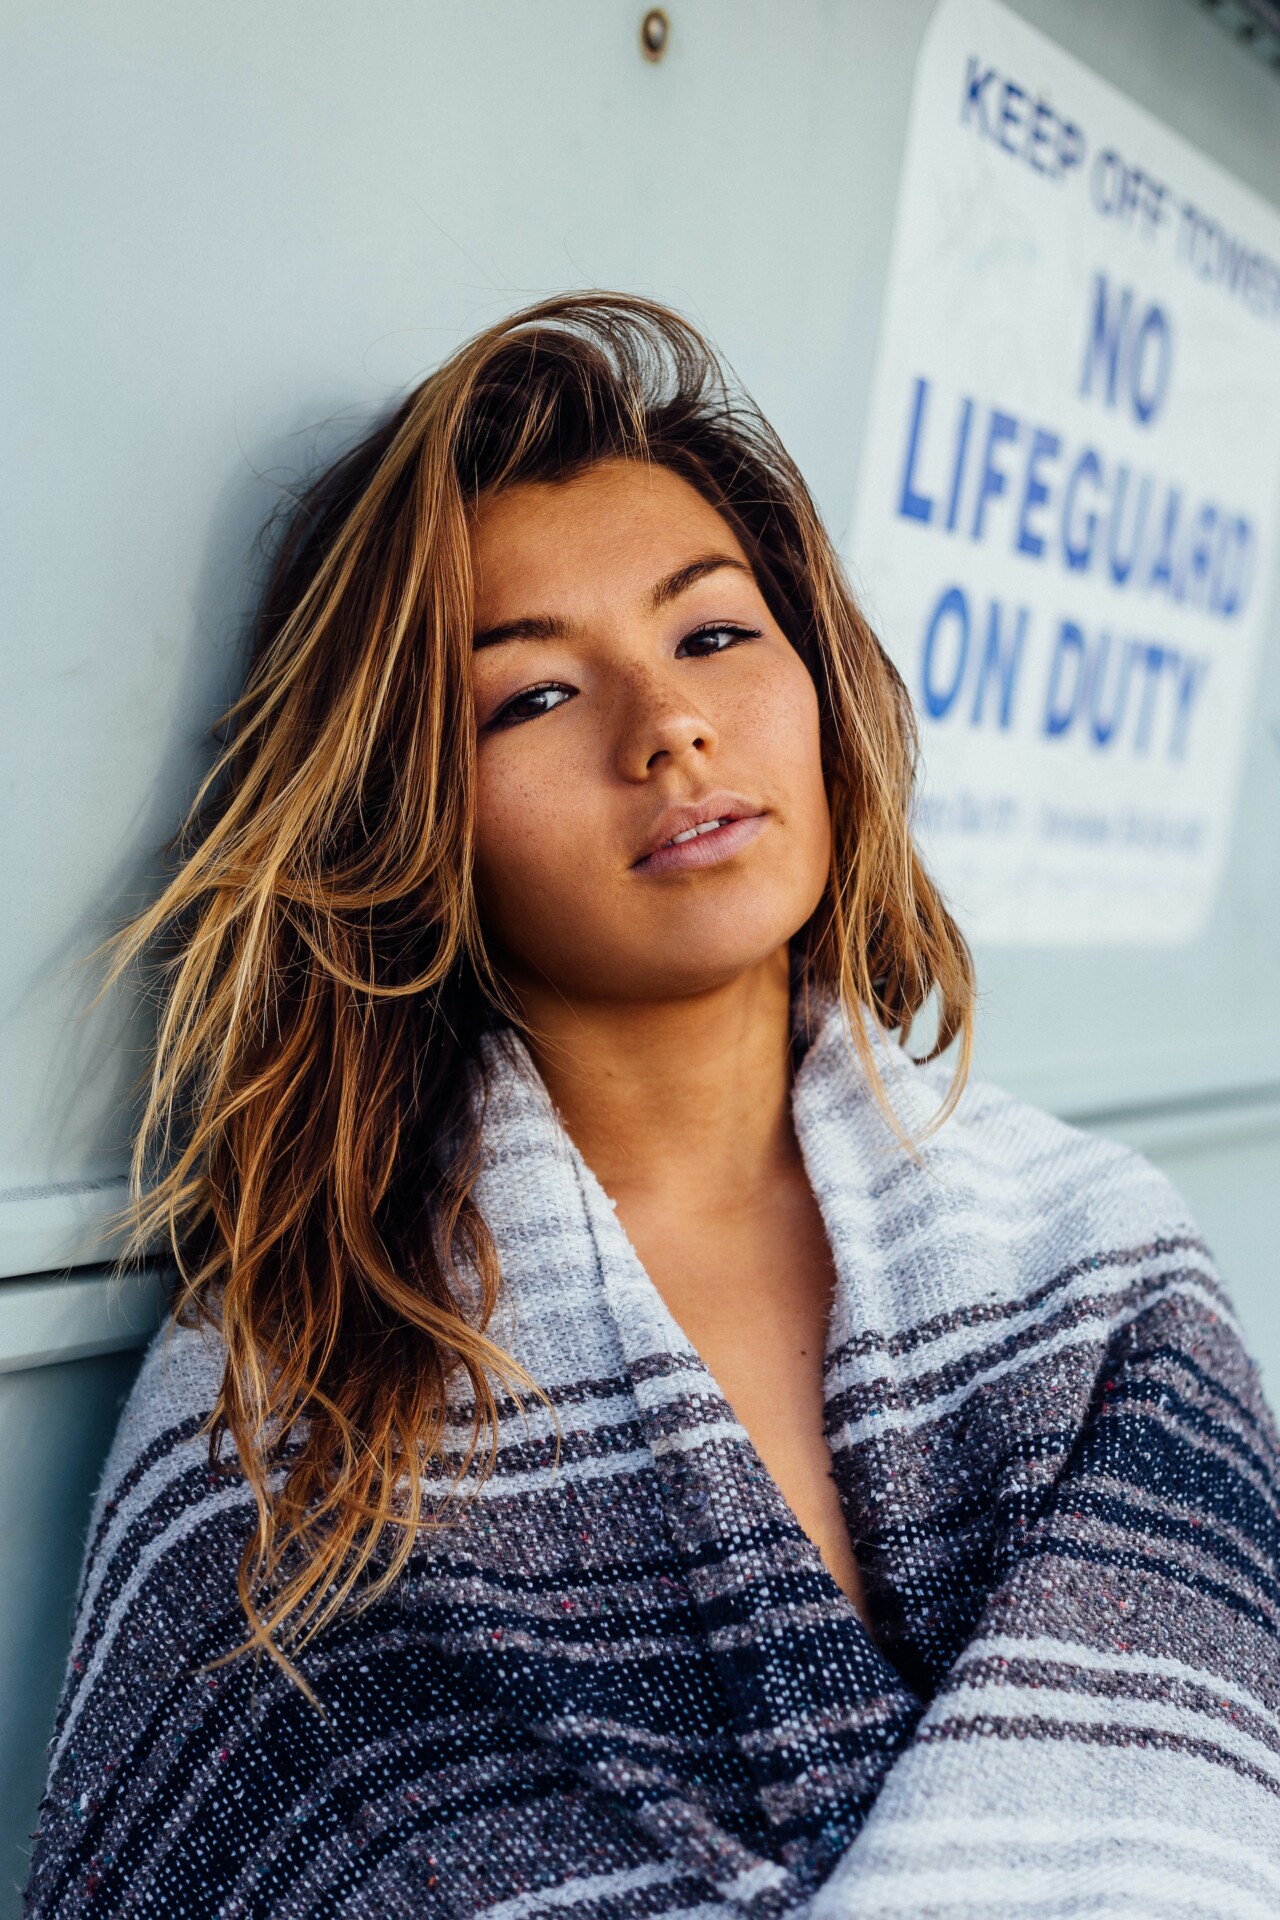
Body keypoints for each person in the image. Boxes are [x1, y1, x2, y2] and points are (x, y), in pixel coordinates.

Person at [24, 294, 1280, 1919]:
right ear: (414, 815)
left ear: (818, 681)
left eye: (712, 635)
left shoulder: (1104, 1270)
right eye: (534, 697)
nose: (668, 725)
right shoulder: (287, 1415)